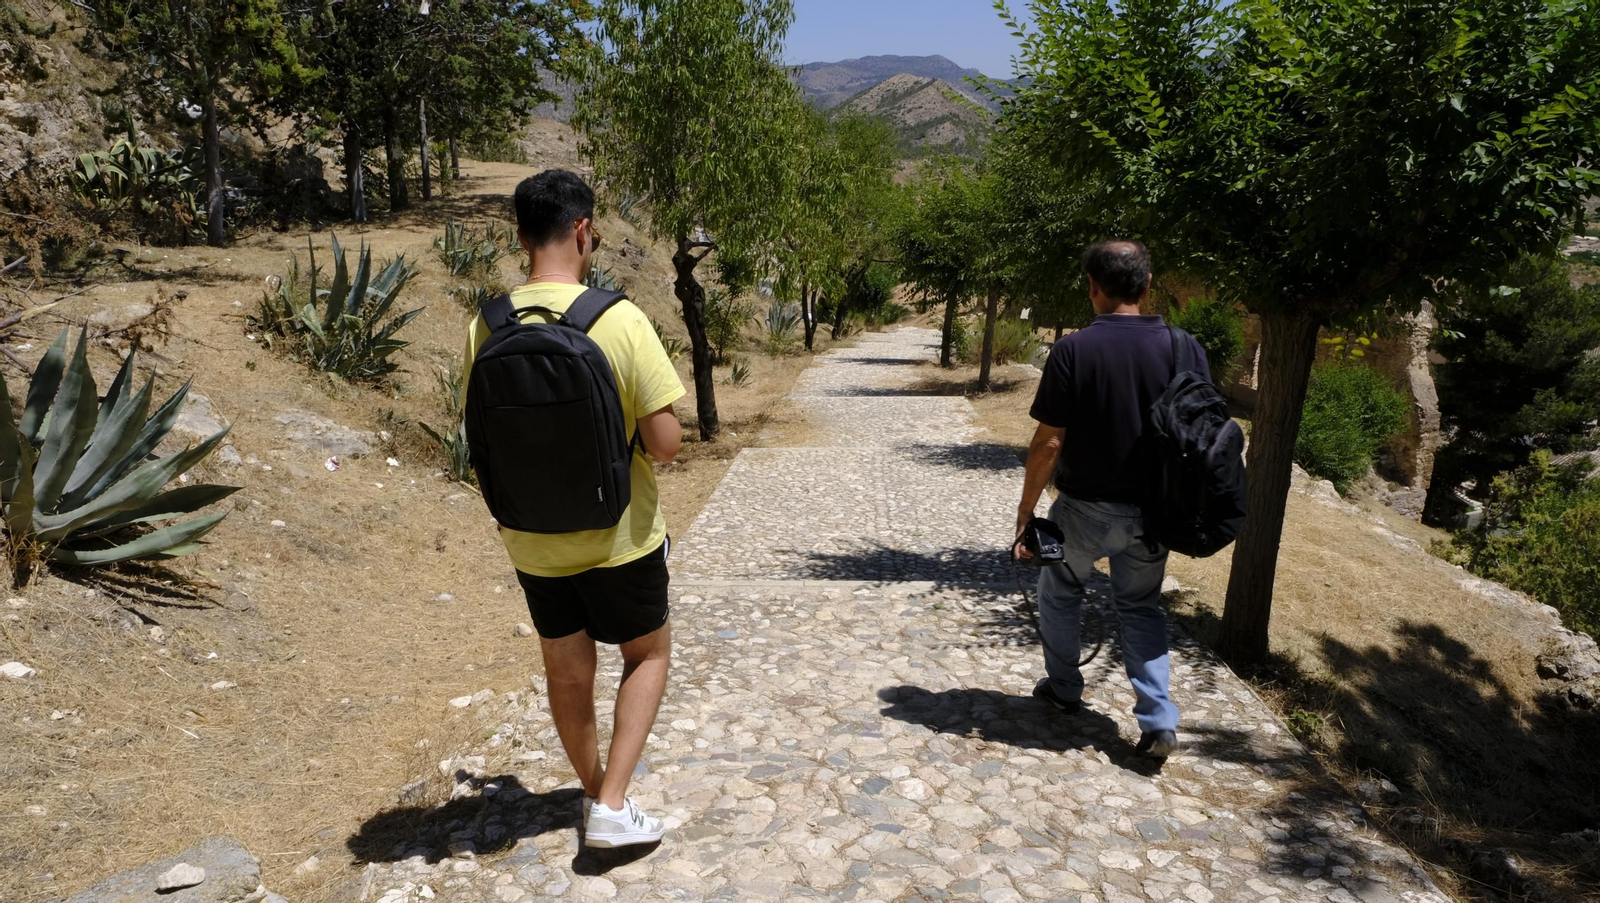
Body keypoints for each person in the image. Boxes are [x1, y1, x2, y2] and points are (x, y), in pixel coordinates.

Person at [462, 169, 686, 846]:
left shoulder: (486, 324)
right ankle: (613, 803)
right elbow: (666, 444)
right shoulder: (617, 318)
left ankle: (595, 789)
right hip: (622, 535)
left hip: (532, 539)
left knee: (566, 669)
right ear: (583, 230)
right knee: (646, 654)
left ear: (523, 236)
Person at [1012, 240, 1209, 758]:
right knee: (1141, 607)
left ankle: (1062, 690)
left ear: (1092, 288)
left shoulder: (1073, 350)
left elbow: (1049, 441)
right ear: (1147, 286)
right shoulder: (1185, 347)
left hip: (1081, 510)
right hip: (1154, 513)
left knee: (1059, 592)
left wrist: (1026, 510)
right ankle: (1159, 719)